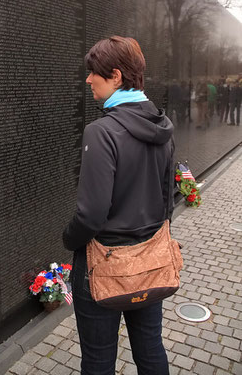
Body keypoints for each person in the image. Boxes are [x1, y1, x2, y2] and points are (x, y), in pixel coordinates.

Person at [63, 36, 174, 375]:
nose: (87, 80)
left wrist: (68, 239)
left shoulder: (102, 132)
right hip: (151, 261)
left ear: (114, 75)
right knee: (151, 349)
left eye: (92, 72)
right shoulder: (163, 126)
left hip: (104, 264)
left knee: (98, 360)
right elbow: (167, 200)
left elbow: (91, 214)